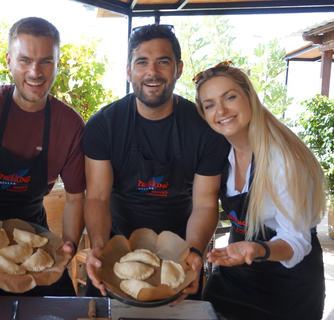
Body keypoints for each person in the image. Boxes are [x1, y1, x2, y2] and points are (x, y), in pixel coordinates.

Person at [82, 24, 230, 300]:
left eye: (163, 62)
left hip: (181, 256)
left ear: (179, 68)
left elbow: (206, 203)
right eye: (142, 63)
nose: (152, 72)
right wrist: (99, 247)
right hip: (117, 250)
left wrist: (195, 252)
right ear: (128, 71)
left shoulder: (204, 129)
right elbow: (98, 198)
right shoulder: (103, 126)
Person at [193, 62, 326, 320]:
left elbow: (297, 242)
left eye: (229, 97)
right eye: (209, 105)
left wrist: (258, 249)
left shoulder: (284, 160)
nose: (221, 110)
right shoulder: (220, 153)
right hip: (236, 274)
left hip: (287, 287)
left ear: (249, 97)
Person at [0, 17, 86, 298]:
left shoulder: (69, 125)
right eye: (25, 60)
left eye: (46, 61)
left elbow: (74, 199)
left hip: (35, 242)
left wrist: (68, 248)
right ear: (8, 60)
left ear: (58, 63)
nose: (35, 71)